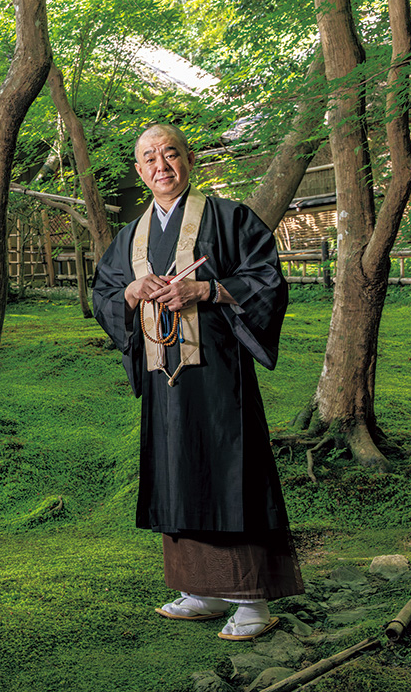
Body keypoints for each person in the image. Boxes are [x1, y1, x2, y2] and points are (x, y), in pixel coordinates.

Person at [92, 124, 303, 640]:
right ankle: (200, 590)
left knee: (231, 471)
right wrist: (131, 292)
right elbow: (104, 292)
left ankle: (251, 599)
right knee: (177, 472)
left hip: (220, 377)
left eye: (170, 153)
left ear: (190, 159)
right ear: (140, 171)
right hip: (164, 379)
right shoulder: (129, 236)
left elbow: (267, 281)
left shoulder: (230, 219)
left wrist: (207, 291)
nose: (160, 165)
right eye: (148, 158)